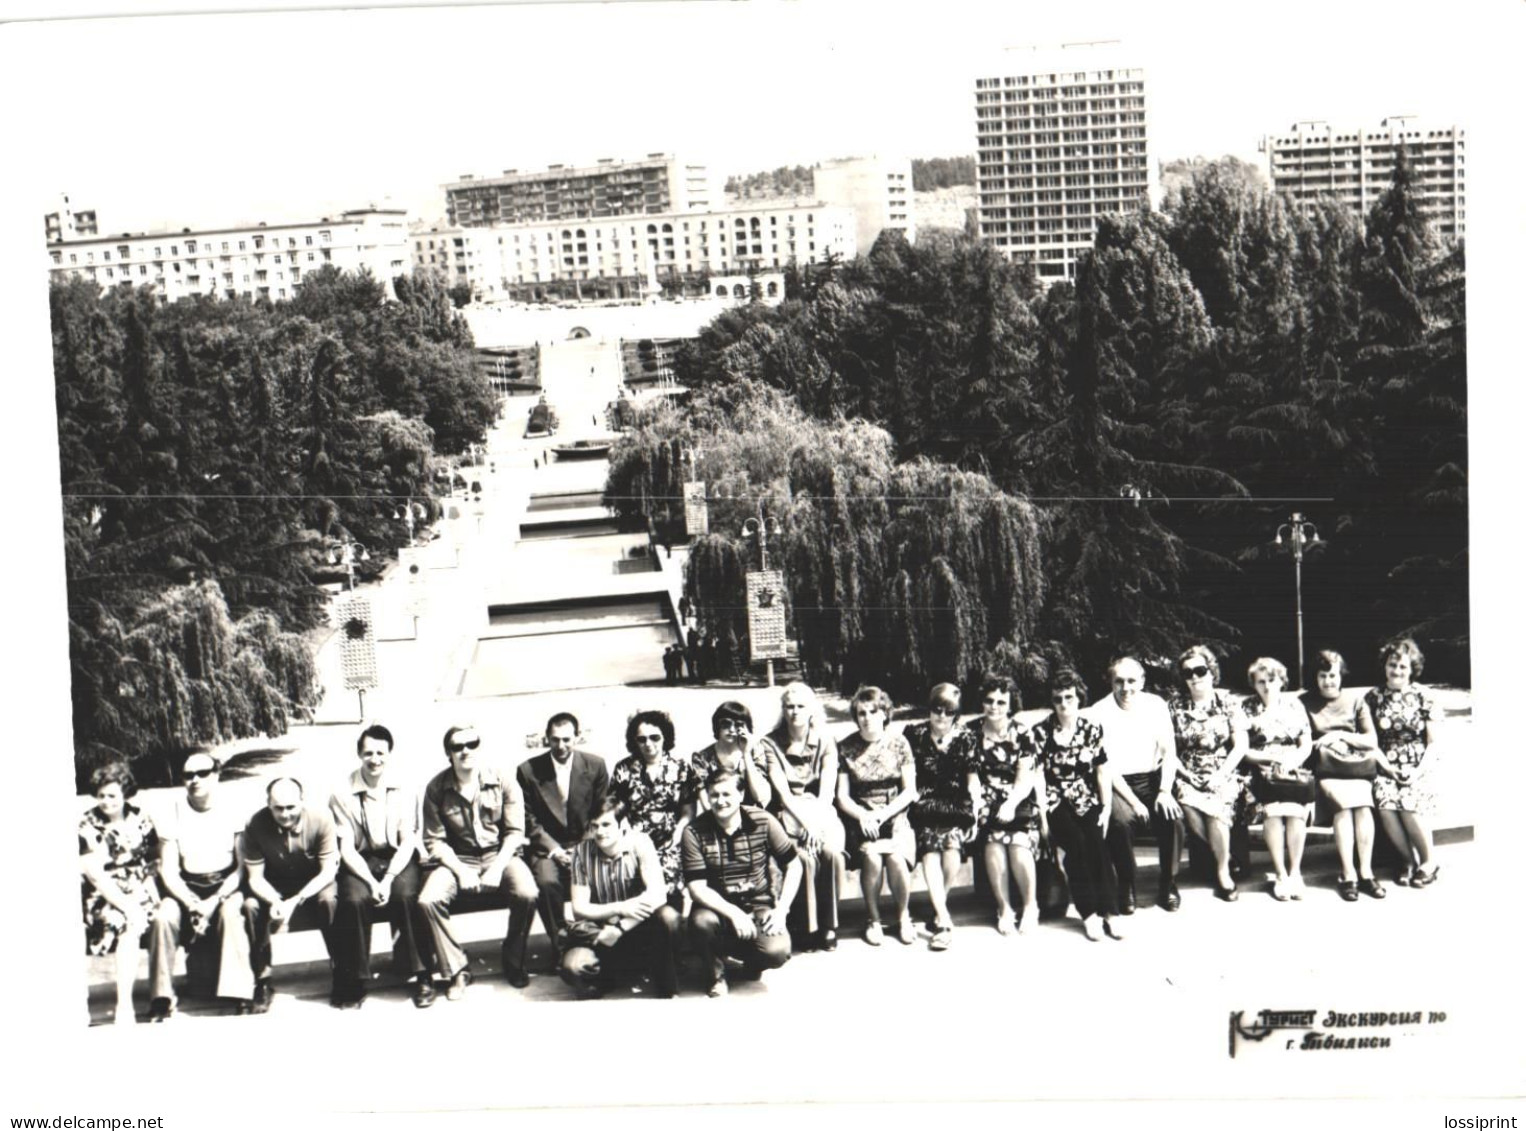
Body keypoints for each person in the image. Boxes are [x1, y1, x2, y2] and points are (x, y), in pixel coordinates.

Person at [419, 724, 539, 998]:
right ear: (448, 753)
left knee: (528, 893)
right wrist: (461, 871)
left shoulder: (503, 780)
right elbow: (434, 841)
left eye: (471, 744)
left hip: (500, 854)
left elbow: (515, 832)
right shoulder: (436, 788)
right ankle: (458, 968)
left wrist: (496, 868)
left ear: (479, 747)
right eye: (458, 747)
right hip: (457, 859)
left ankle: (513, 958)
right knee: (428, 900)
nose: (465, 751)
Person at [328, 723, 433, 1009]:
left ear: (389, 754)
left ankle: (421, 973)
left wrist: (386, 880)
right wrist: (372, 883)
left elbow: (408, 840)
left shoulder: (405, 788)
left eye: (380, 753)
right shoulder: (341, 793)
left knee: (407, 896)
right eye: (368, 753)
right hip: (361, 859)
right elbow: (346, 848)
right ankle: (356, 979)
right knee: (353, 899)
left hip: (397, 857)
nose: (374, 759)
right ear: (358, 754)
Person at [147, 753, 253, 1021]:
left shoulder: (233, 808)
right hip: (184, 887)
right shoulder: (172, 812)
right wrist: (192, 903)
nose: (195, 780)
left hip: (224, 885)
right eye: (188, 775)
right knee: (163, 917)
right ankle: (161, 997)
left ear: (216, 775)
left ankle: (239, 993)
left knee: (232, 914)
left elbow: (241, 868)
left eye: (202, 773)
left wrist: (213, 901)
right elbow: (168, 872)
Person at [682, 768, 803, 997]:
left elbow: (794, 865)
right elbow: (696, 888)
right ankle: (715, 974)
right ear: (707, 797)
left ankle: (753, 961)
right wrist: (733, 913)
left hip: (758, 905)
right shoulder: (694, 831)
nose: (720, 801)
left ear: (741, 794)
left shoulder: (763, 820)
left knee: (777, 951)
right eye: (714, 795)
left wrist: (781, 911)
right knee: (701, 923)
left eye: (727, 794)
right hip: (716, 908)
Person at [1085, 656, 1183, 914]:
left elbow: (1168, 752)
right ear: (1111, 682)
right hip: (1117, 783)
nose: (1126, 688)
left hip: (1152, 779)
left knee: (1172, 816)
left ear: (1142, 681)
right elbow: (1106, 767)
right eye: (1119, 681)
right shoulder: (1099, 712)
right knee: (1121, 822)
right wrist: (1135, 802)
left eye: (1131, 681)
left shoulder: (1156, 705)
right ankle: (1127, 883)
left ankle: (1168, 882)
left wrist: (1164, 791)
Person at [1031, 670, 1122, 942]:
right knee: (1077, 846)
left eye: (1069, 697)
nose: (1063, 703)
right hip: (1055, 800)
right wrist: (1044, 815)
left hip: (1085, 797)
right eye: (1058, 698)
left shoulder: (1091, 730)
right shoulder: (1041, 732)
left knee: (1097, 843)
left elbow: (1102, 769)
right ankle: (1089, 913)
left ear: (1079, 698)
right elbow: (1037, 775)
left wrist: (1106, 807)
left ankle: (1111, 912)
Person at [561, 796, 681, 999]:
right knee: (573, 967)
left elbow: (657, 894)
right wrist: (620, 908)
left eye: (607, 824)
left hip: (637, 926)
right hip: (601, 932)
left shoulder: (640, 842)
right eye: (595, 826)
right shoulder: (581, 852)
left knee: (669, 917)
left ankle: (666, 984)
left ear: (623, 824)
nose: (600, 832)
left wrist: (621, 927)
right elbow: (580, 908)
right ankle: (606, 977)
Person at [517, 712, 610, 964]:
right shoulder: (528, 771)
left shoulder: (596, 766)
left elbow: (601, 813)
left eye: (567, 739)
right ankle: (561, 946)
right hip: (547, 847)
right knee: (546, 882)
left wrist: (582, 850)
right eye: (555, 740)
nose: (561, 746)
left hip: (587, 843)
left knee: (601, 877)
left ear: (577, 738)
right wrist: (555, 850)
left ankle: (595, 941)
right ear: (546, 739)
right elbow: (528, 820)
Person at [760, 682, 846, 952]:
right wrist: (806, 824)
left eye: (800, 706)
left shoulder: (825, 740)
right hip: (789, 815)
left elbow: (827, 789)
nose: (795, 712)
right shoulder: (770, 743)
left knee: (831, 853)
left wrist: (817, 824)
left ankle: (829, 926)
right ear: (783, 710)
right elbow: (782, 794)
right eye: (790, 706)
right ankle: (808, 928)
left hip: (820, 813)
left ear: (811, 709)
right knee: (804, 858)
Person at [241, 777, 340, 1012]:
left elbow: (328, 872)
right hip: (274, 886)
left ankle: (340, 971)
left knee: (329, 900)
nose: (285, 814)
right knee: (250, 907)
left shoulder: (321, 818)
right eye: (278, 808)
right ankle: (262, 981)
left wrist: (296, 899)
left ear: (302, 801)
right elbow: (255, 877)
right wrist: (274, 900)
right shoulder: (255, 824)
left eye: (291, 807)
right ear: (268, 804)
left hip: (314, 883)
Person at [837, 685, 920, 946]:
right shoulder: (846, 747)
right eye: (861, 713)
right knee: (872, 857)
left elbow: (909, 791)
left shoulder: (899, 744)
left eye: (873, 711)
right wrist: (863, 816)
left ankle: (903, 917)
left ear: (885, 713)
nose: (867, 717)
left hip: (894, 815)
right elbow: (842, 796)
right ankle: (873, 919)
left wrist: (884, 814)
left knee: (896, 857)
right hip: (861, 818)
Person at [959, 675, 1042, 935]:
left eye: (1000, 702)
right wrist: (977, 805)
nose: (994, 706)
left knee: (1018, 842)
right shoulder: (971, 732)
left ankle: (1030, 906)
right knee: (994, 840)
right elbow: (972, 777)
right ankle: (1004, 908)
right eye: (989, 701)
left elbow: (1025, 777)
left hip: (1018, 796)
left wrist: (1010, 803)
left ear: (1010, 704)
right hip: (985, 798)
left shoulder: (1022, 732)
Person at [79, 763, 160, 1023]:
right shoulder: (88, 825)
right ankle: (124, 1004)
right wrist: (127, 906)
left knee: (145, 919)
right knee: (125, 921)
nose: (106, 801)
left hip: (139, 889)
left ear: (125, 793)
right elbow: (95, 875)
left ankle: (148, 998)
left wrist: (150, 889)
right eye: (101, 795)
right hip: (103, 894)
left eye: (112, 795)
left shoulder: (141, 819)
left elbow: (152, 861)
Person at [1168, 645, 1251, 902]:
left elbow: (1240, 746)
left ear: (1211, 671)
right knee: (1186, 804)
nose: (1194, 677)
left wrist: (1220, 775)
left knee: (1216, 809)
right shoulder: (1175, 706)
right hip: (1187, 772)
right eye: (1188, 672)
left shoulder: (1228, 703)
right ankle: (1225, 856)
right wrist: (1185, 774)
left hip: (1222, 770)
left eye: (1200, 670)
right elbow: (1167, 750)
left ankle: (1223, 871)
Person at [903, 683, 980, 951]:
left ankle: (938, 906)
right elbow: (908, 776)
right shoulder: (914, 734)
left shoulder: (967, 737)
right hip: (923, 803)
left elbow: (972, 780)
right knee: (931, 849)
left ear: (956, 714)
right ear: (930, 710)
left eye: (949, 712)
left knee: (952, 849)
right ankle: (944, 920)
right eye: (937, 710)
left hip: (955, 804)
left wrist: (975, 812)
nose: (942, 717)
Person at [1305, 650, 1386, 900]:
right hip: (1327, 771)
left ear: (1341, 676)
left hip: (1355, 768)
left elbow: (1370, 739)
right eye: (1323, 676)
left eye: (1333, 675)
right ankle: (1348, 873)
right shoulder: (1304, 703)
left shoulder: (1355, 701)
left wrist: (1339, 736)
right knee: (1343, 807)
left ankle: (1366, 872)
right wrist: (1324, 742)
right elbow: (1302, 740)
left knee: (1362, 807)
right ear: (1315, 677)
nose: (1328, 681)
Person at [1363, 638, 1442, 887]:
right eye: (1392, 665)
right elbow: (1370, 741)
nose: (1396, 671)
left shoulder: (1424, 696)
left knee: (1408, 802)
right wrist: (1388, 768)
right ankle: (1407, 861)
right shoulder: (1373, 698)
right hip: (1386, 765)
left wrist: (1418, 772)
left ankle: (1429, 861)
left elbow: (1433, 743)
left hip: (1419, 766)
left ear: (1412, 669)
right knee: (1386, 803)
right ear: (1384, 666)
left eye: (1402, 667)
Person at [1241, 657, 1315, 901]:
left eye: (1271, 680)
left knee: (1294, 812)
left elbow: (1306, 744)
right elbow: (1243, 749)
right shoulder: (1246, 708)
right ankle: (1280, 873)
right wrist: (1266, 760)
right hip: (1260, 772)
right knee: (1272, 811)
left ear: (1281, 681)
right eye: (1260, 681)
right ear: (1254, 684)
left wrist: (1291, 760)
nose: (1266, 686)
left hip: (1292, 770)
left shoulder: (1294, 705)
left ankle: (1295, 872)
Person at [609, 710, 693, 900]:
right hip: (635, 842)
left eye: (655, 737)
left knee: (670, 890)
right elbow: (615, 810)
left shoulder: (681, 768)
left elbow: (688, 810)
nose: (649, 744)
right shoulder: (624, 769)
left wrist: (677, 836)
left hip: (671, 841)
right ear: (634, 741)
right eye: (642, 739)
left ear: (665, 737)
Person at [688, 701, 773, 811]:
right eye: (726, 724)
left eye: (738, 725)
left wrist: (746, 753)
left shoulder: (754, 752)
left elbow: (760, 797)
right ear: (717, 726)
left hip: (751, 815)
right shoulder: (702, 758)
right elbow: (706, 805)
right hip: (717, 817)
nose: (732, 729)